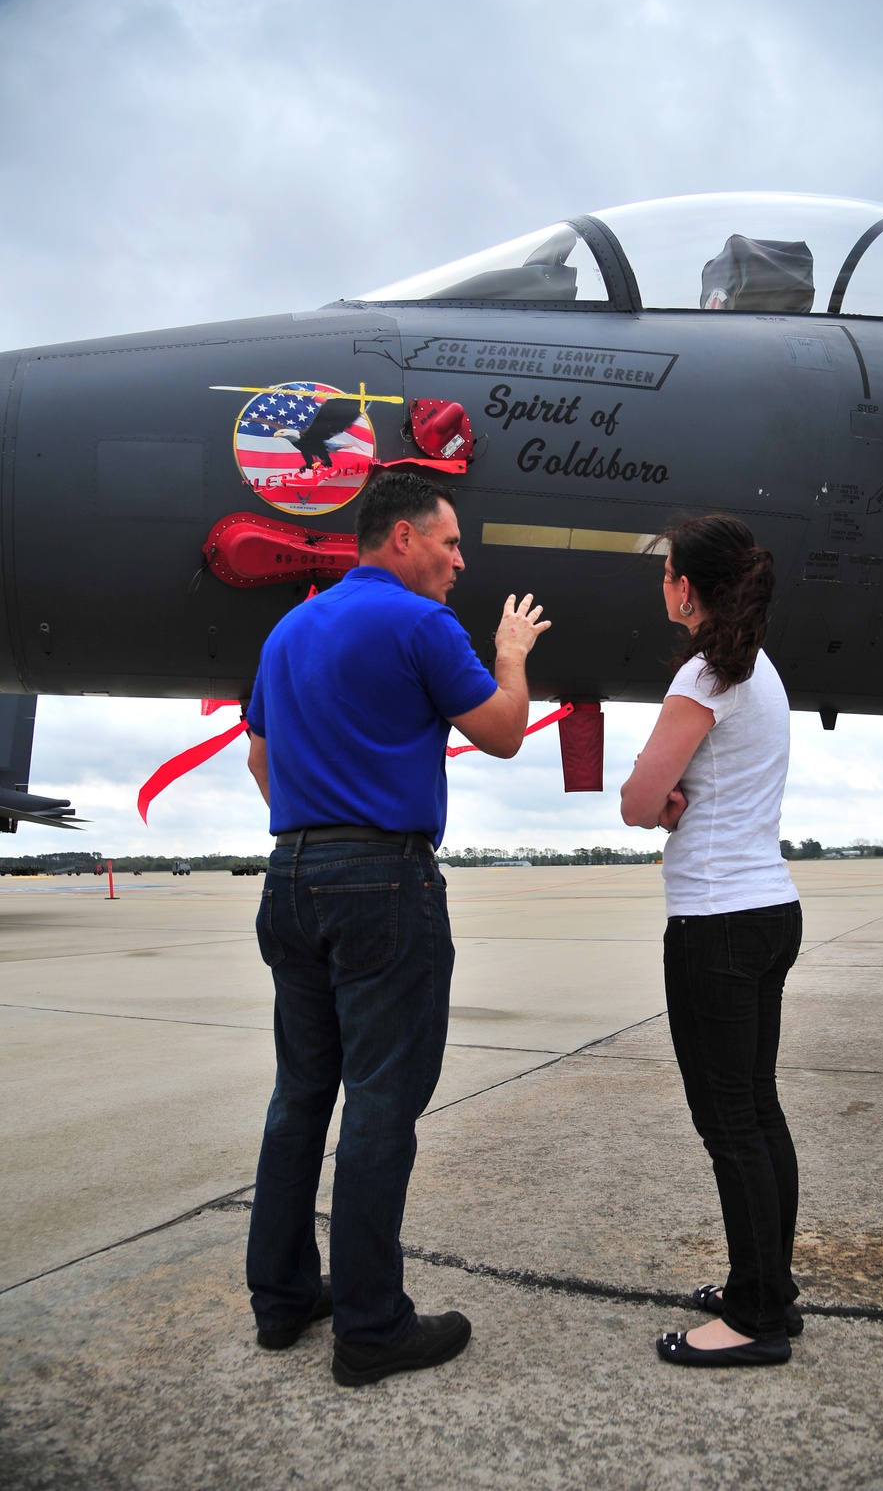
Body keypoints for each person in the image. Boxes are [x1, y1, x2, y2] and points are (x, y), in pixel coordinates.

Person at [244, 471, 550, 1387]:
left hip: (290, 872)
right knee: (382, 1101)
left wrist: (317, 826)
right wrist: (511, 652)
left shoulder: (289, 627)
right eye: (450, 543)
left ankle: (285, 1297)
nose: (461, 561)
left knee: (300, 1096)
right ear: (403, 538)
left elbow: (259, 753)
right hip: (382, 877)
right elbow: (501, 731)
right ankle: (372, 1325)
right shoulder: (421, 624)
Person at [620, 513, 802, 1368]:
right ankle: (766, 1288)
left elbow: (636, 797)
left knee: (728, 1118)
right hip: (767, 907)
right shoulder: (758, 671)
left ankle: (756, 1316)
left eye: (665, 574)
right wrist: (670, 797)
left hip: (716, 918)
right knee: (756, 1110)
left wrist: (655, 798)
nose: (661, 584)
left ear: (685, 588)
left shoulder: (705, 673)